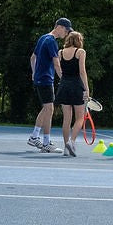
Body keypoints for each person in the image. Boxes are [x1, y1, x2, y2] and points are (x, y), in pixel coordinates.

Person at [28, 17, 71, 152]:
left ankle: (34, 137)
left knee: (46, 109)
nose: (66, 33)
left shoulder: (43, 38)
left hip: (41, 79)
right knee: (49, 109)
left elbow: (32, 58)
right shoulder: (51, 41)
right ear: (59, 27)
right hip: (46, 79)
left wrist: (34, 73)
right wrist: (64, 79)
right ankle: (46, 143)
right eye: (66, 30)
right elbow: (56, 63)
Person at [54, 30, 92, 156]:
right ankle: (72, 141)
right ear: (79, 41)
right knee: (80, 118)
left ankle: (66, 147)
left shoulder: (60, 52)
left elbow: (58, 67)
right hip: (76, 86)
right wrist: (86, 89)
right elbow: (82, 72)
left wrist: (63, 78)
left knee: (66, 119)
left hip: (64, 86)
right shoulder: (80, 52)